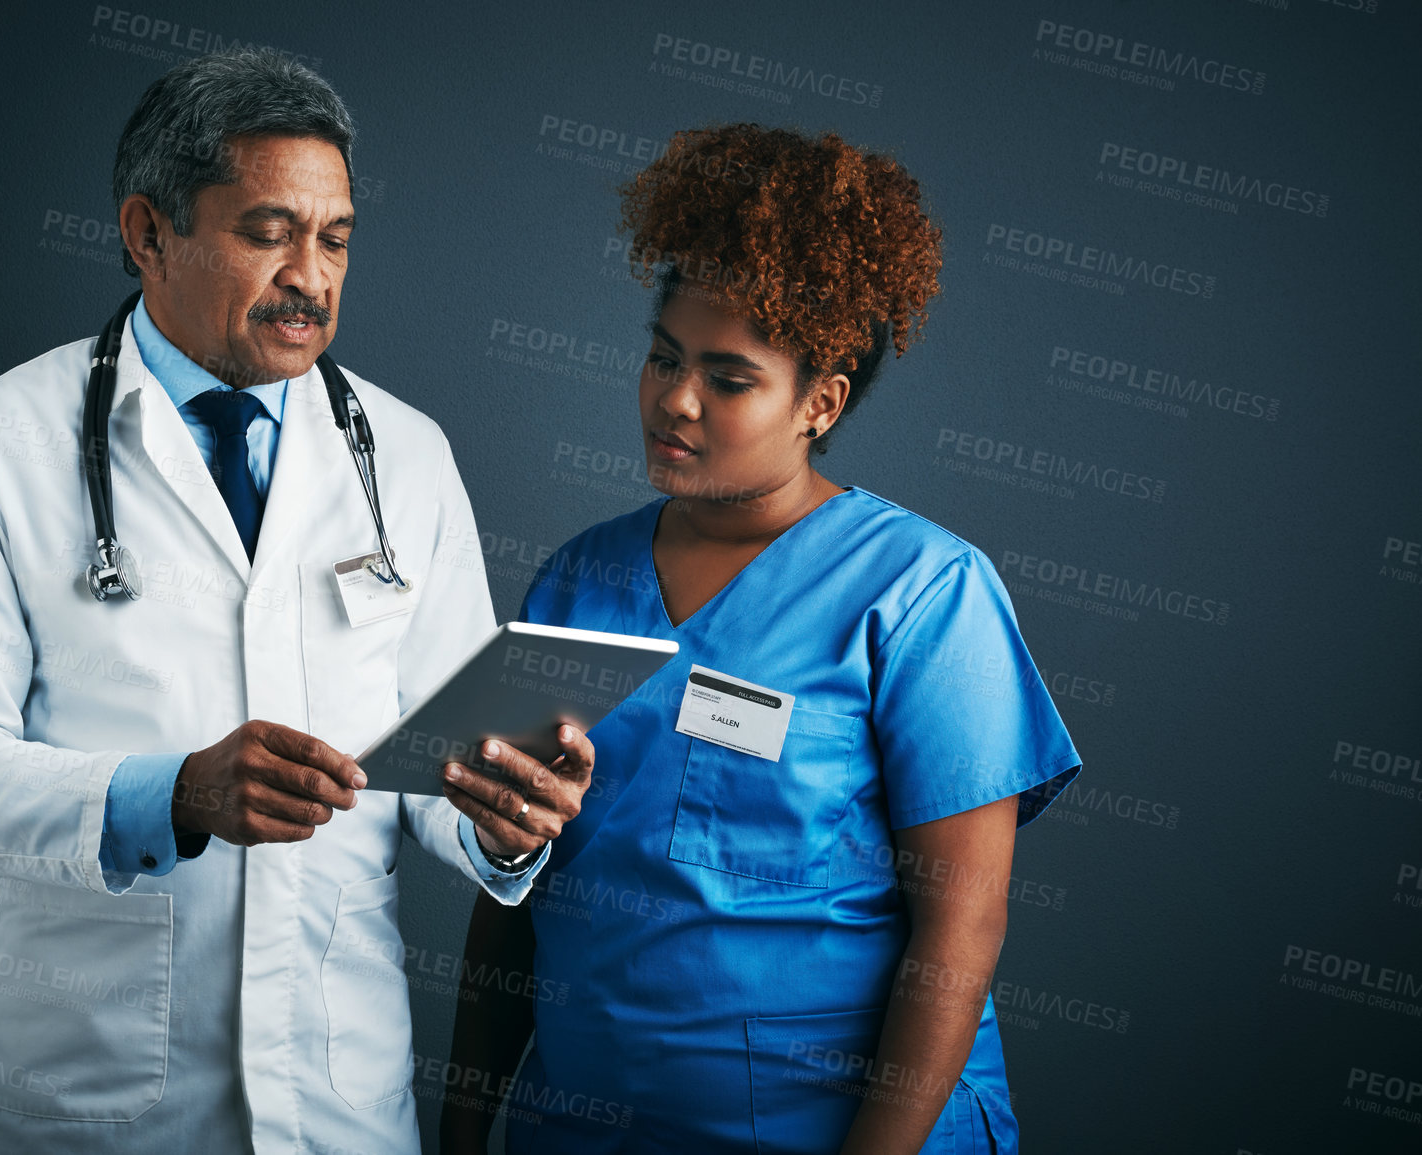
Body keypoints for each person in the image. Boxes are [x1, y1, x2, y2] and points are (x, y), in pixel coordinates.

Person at [0, 50, 592, 1154]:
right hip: (103, 1110)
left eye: (337, 238)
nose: (312, 276)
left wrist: (502, 820)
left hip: (340, 1110)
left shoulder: (400, 454)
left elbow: (439, 765)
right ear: (148, 231)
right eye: (269, 233)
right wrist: (170, 798)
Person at [440, 124, 1081, 1154]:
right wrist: (463, 1126)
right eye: (661, 358)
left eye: (729, 380)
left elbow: (960, 931)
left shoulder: (924, 594)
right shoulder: (578, 578)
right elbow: (513, 888)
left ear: (819, 403)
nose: (675, 401)